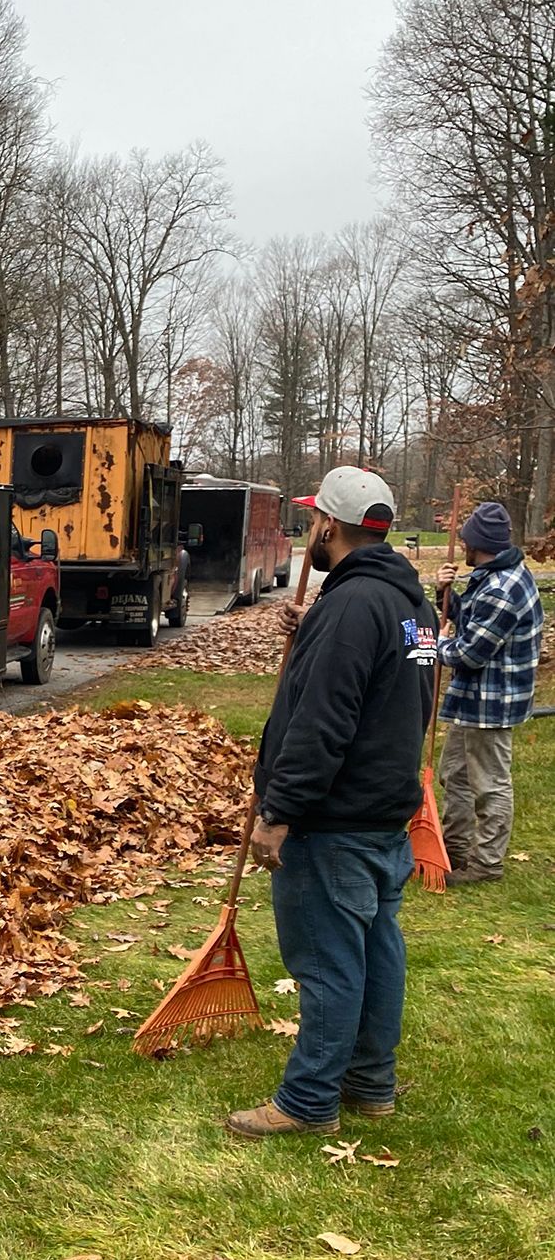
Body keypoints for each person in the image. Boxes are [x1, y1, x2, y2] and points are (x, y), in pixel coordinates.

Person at [226, 468, 437, 1139]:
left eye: (312, 520)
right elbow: (400, 696)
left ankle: (310, 1099)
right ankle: (370, 1082)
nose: (307, 531)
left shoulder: (350, 608)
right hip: (382, 816)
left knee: (327, 961)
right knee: (375, 951)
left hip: (333, 824)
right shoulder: (411, 606)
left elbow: (324, 722)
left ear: (329, 527)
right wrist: (312, 625)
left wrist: (280, 811)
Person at [433, 501, 545, 886]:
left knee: (490, 784)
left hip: (492, 702)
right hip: (475, 698)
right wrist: (444, 594)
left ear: (476, 543)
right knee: (454, 775)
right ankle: (454, 849)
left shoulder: (502, 588)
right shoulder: (495, 574)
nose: (461, 545)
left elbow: (470, 652)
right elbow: (472, 622)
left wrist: (433, 647)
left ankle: (487, 865)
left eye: (465, 539)